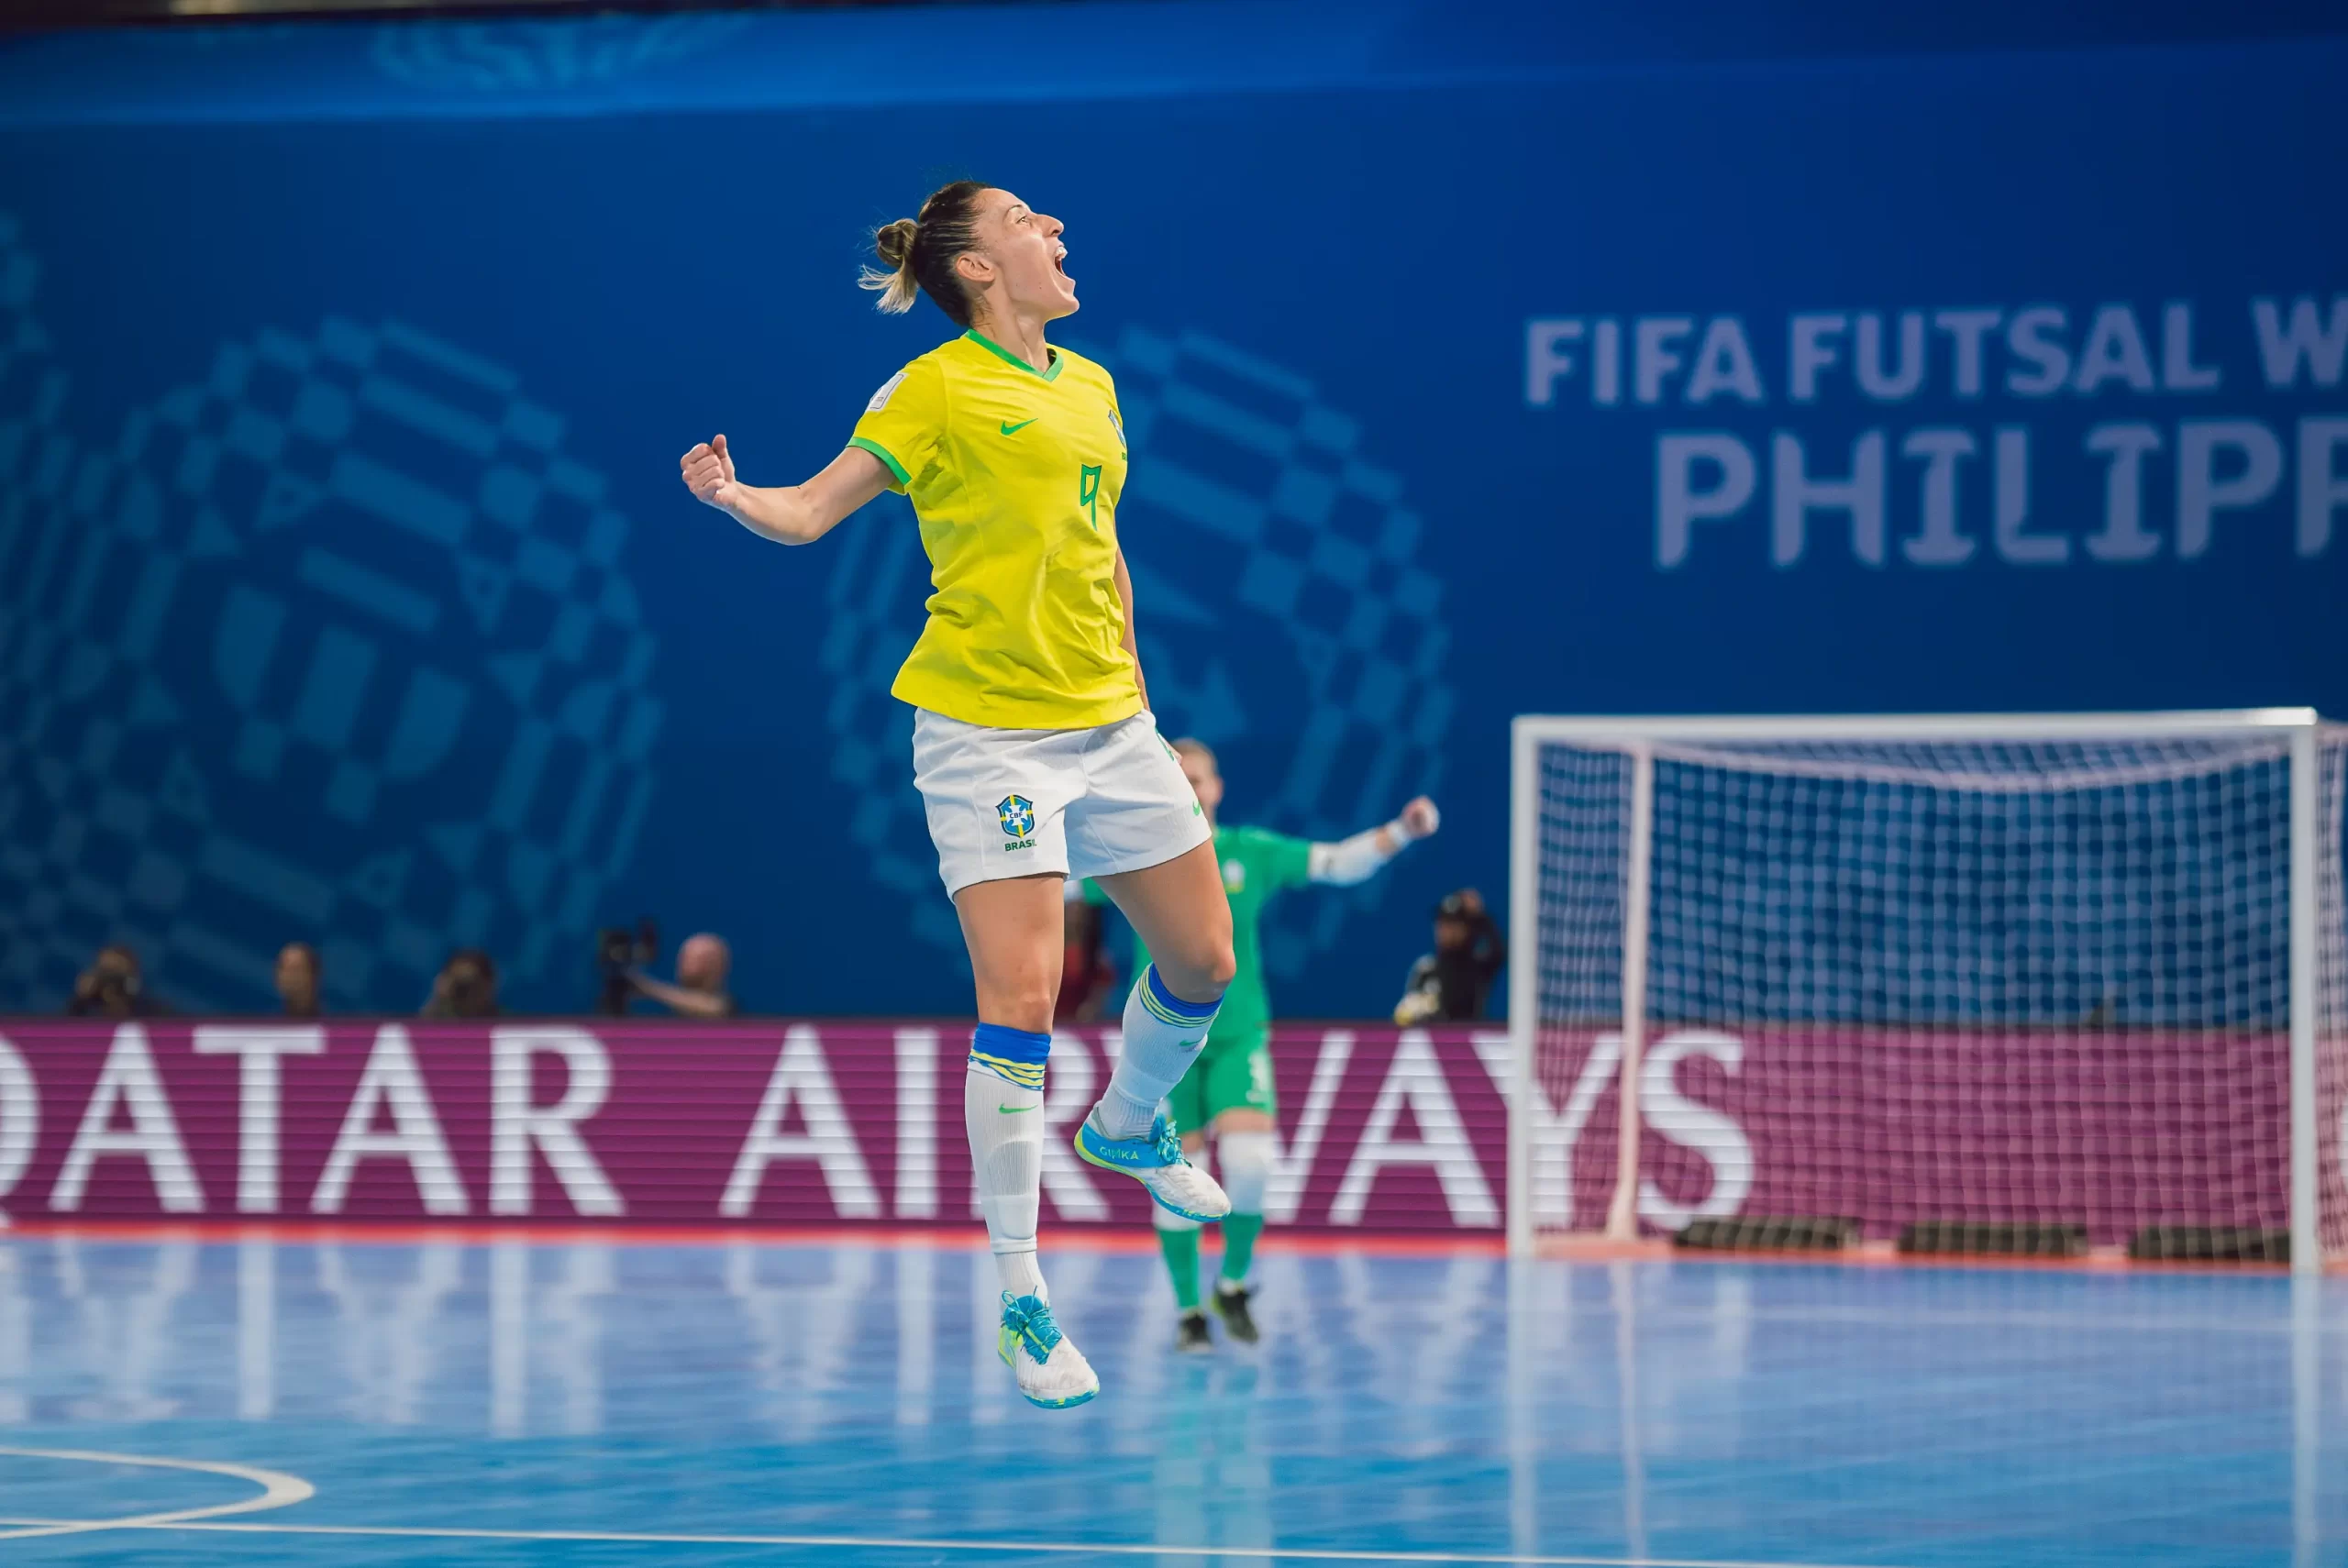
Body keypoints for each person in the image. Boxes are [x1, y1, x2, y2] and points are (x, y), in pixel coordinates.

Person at [679, 180, 1236, 1410]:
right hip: (991, 735)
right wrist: (731, 495)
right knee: (1023, 994)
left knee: (1204, 958)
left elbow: (1103, 547)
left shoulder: (1090, 386)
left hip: (1113, 721)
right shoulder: (929, 389)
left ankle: (1133, 1121)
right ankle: (1024, 1296)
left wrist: (1134, 686)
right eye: (1032, 221)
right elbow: (812, 511)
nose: (1059, 230)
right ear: (978, 268)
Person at [1099, 739, 1437, 1352]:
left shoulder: (1248, 853)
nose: (1189, 788)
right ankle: (1189, 1314)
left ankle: (1231, 1285)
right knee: (1176, 1182)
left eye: (1197, 778)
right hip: (1161, 1046)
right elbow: (1060, 886)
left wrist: (1401, 832)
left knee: (1252, 1168)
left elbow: (1336, 863)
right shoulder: (1132, 857)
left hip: (1236, 1033)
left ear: (1217, 788)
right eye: (1176, 778)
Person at [1393, 889, 1507, 1024]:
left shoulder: (1478, 966)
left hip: (1469, 1040)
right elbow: (1407, 1012)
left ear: (1467, 929)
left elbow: (1499, 951)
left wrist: (1481, 916)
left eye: (1454, 924)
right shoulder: (1426, 969)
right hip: (1435, 1041)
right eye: (1443, 924)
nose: (1447, 930)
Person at [628, 932, 737, 1018]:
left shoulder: (726, 1009)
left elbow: (713, 1008)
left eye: (698, 959)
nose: (685, 964)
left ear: (718, 965)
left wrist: (647, 987)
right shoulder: (668, 1020)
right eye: (684, 957)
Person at [66, 944, 164, 1018]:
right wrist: (80, 1000)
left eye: (116, 971)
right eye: (105, 971)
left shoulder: (156, 1014)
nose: (110, 979)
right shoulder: (84, 1013)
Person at [422, 949, 499, 1019]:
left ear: (488, 985)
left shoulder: (504, 1026)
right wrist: (438, 997)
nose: (463, 991)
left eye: (470, 984)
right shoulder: (437, 1019)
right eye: (459, 984)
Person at [276, 943, 323, 1018]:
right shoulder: (266, 1022)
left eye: (296, 969)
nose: (288, 976)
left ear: (313, 975)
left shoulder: (337, 1020)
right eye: (284, 969)